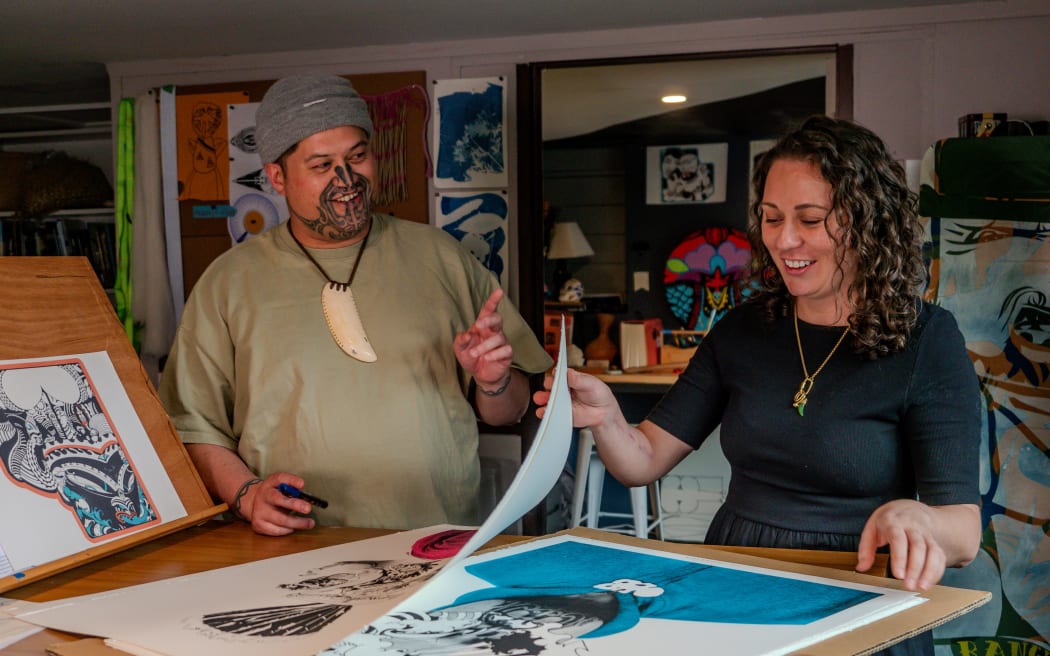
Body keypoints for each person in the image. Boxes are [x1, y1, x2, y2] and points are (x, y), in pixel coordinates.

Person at [535, 115, 981, 656]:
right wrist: (607, 416)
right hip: (737, 586)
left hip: (857, 597)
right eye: (771, 218)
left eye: (810, 219)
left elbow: (964, 534)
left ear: (869, 221)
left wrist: (919, 518)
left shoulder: (926, 339)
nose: (784, 239)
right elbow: (643, 459)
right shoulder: (743, 330)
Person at [160, 72, 551, 536]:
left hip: (434, 537)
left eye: (357, 157)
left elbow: (513, 409)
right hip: (291, 546)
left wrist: (494, 381)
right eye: (322, 165)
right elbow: (192, 427)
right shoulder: (228, 282)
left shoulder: (442, 259)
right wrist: (246, 495)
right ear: (277, 177)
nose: (346, 180)